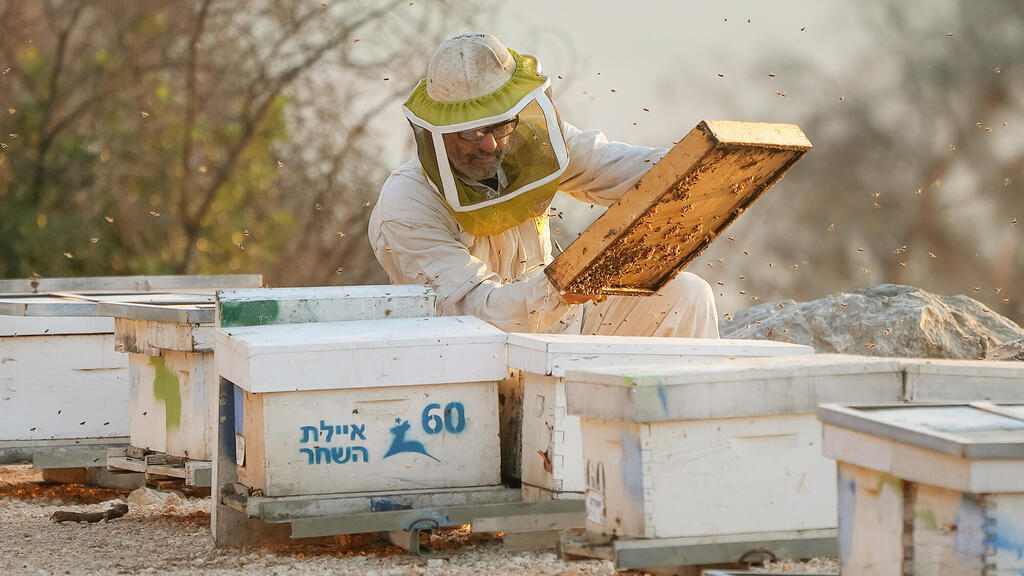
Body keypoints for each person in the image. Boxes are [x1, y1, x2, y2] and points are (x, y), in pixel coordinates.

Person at [368, 33, 719, 338]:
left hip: (566, 327)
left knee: (687, 295)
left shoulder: (533, 148)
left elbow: (618, 167)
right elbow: (476, 310)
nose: (490, 143)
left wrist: (701, 162)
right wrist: (559, 289)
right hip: (480, 358)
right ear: (439, 132)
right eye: (473, 132)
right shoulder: (409, 203)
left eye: (501, 125)